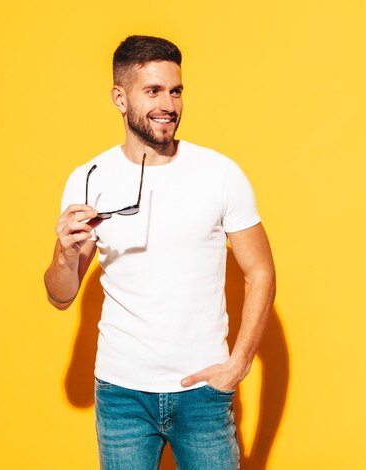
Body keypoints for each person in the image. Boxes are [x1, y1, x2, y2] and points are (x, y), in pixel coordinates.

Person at [43, 35, 276, 469]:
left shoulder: (220, 173)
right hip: (121, 394)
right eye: (152, 91)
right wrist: (62, 252)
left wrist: (237, 364)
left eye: (175, 90)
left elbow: (260, 270)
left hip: (204, 393)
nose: (168, 103)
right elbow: (61, 296)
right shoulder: (90, 177)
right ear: (120, 97)